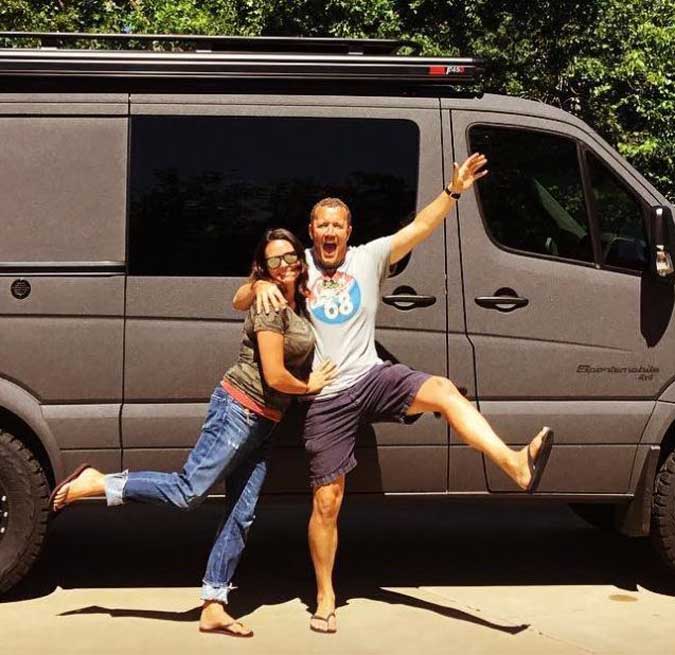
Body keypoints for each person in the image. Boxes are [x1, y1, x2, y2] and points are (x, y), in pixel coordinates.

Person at [232, 153, 555, 634]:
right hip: (327, 396)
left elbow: (420, 228)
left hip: (374, 375)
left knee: (444, 391)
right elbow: (239, 295)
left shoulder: (369, 257)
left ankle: (513, 463)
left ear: (348, 230)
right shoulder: (296, 268)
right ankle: (324, 596)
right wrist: (258, 288)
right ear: (311, 229)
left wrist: (453, 191)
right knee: (327, 502)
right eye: (321, 225)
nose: (329, 232)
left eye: (337, 225)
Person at [48, 228, 337, 639]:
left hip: (264, 422)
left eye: (290, 256)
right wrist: (310, 385)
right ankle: (101, 483)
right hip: (239, 411)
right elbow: (274, 373)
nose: (285, 265)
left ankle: (214, 604)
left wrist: (253, 287)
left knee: (241, 512)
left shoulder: (294, 300)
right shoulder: (269, 303)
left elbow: (244, 298)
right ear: (263, 267)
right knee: (189, 491)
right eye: (274, 261)